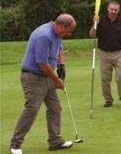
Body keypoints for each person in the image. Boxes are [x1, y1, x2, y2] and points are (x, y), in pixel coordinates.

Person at [10, 13, 77, 154]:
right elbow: (43, 64)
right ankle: (15, 144)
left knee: (55, 107)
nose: (69, 34)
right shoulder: (44, 35)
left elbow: (59, 49)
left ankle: (55, 141)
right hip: (33, 77)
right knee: (32, 109)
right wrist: (57, 81)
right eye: (69, 30)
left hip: (46, 76)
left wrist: (61, 66)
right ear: (60, 26)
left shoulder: (58, 34)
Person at [89, 1, 121, 107]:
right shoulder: (101, 21)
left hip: (119, 53)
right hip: (104, 53)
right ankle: (108, 99)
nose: (114, 11)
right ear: (108, 10)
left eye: (116, 10)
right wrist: (94, 23)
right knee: (105, 78)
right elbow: (92, 35)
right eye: (112, 9)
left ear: (118, 11)